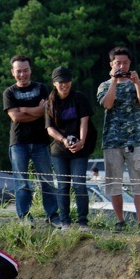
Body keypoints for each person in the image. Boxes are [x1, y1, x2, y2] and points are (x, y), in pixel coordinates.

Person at [96, 47, 140, 230]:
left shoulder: (139, 82)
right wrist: (114, 80)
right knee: (114, 183)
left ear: (130, 64)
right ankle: (120, 221)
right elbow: (107, 103)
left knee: (139, 182)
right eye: (117, 63)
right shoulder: (104, 85)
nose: (121, 66)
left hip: (134, 140)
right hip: (112, 141)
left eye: (125, 63)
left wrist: (136, 84)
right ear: (111, 64)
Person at [3, 55, 58, 226]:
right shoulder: (9, 92)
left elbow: (46, 111)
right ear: (13, 73)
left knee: (47, 180)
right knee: (22, 182)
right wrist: (37, 110)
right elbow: (16, 117)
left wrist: (25, 109)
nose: (22, 74)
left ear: (30, 70)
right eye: (18, 71)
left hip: (41, 141)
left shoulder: (41, 88)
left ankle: (52, 215)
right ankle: (24, 216)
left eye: (25, 70)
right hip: (18, 142)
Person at [45, 66, 96, 231]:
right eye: (60, 82)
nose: (64, 85)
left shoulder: (79, 98)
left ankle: (83, 221)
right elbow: (50, 128)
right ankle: (65, 221)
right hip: (60, 149)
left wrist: (81, 141)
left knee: (79, 184)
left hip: (80, 148)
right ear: (54, 83)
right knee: (63, 185)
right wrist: (63, 140)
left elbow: (84, 121)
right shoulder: (50, 102)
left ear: (71, 82)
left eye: (66, 81)